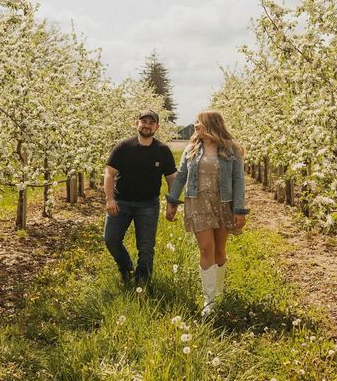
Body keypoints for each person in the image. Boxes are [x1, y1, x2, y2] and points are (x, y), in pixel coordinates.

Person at [166, 111, 248, 315]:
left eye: (199, 123)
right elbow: (181, 176)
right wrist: (172, 202)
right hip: (197, 203)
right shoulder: (191, 148)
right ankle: (209, 301)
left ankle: (218, 296)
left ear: (211, 125)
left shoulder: (231, 149)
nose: (195, 126)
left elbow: (238, 181)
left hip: (223, 204)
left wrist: (239, 209)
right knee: (205, 249)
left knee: (220, 250)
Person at [104, 110, 176, 286]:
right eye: (144, 121)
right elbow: (109, 173)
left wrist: (171, 203)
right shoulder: (123, 147)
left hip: (148, 204)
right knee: (111, 240)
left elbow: (172, 179)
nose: (147, 125)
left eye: (151, 123)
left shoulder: (163, 150)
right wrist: (110, 199)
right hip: (121, 202)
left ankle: (142, 282)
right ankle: (127, 268)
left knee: (145, 248)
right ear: (137, 123)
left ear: (157, 127)